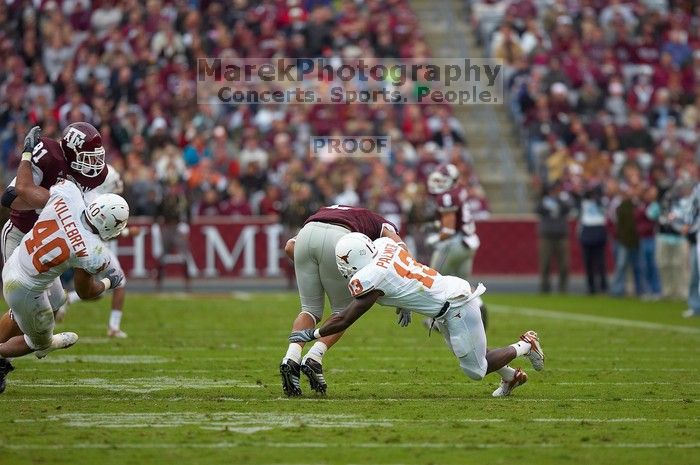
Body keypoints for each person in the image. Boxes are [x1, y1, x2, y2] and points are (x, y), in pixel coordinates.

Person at [289, 233, 545, 397]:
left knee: (475, 370)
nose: (343, 268)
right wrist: (406, 302)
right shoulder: (383, 245)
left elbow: (346, 317)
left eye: (344, 261)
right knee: (470, 352)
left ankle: (526, 345)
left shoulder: (369, 277)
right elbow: (403, 269)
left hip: (456, 306)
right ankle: (511, 378)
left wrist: (314, 333)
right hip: (446, 297)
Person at [0, 179, 129, 393]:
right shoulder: (93, 252)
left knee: (58, 299)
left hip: (15, 264)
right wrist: (109, 282)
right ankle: (50, 342)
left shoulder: (69, 194)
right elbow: (85, 292)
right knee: (38, 343)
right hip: (26, 289)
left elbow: (38, 192)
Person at [280, 205, 407, 396]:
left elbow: (290, 247)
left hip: (306, 236)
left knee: (309, 310)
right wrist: (404, 290)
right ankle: (314, 357)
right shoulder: (379, 223)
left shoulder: (328, 211)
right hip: (339, 241)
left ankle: (291, 357)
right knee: (343, 312)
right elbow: (400, 248)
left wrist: (315, 271)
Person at [62, 165, 138, 337]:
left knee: (96, 292)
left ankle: (67, 299)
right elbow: (104, 234)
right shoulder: (97, 199)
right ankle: (114, 327)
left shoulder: (85, 194)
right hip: (91, 245)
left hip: (75, 242)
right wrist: (127, 232)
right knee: (119, 282)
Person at [426, 163, 487, 328]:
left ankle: (435, 320)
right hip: (468, 242)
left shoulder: (447, 197)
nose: (439, 183)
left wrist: (435, 237)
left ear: (451, 181)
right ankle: (480, 310)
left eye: (443, 180)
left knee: (434, 280)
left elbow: (449, 229)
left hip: (453, 244)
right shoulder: (459, 191)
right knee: (464, 285)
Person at [535, 181, 572, 293]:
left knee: (564, 264)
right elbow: (537, 210)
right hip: (547, 235)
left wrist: (558, 200)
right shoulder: (543, 200)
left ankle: (563, 287)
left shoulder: (563, 199)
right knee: (545, 263)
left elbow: (568, 208)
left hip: (561, 235)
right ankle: (545, 287)